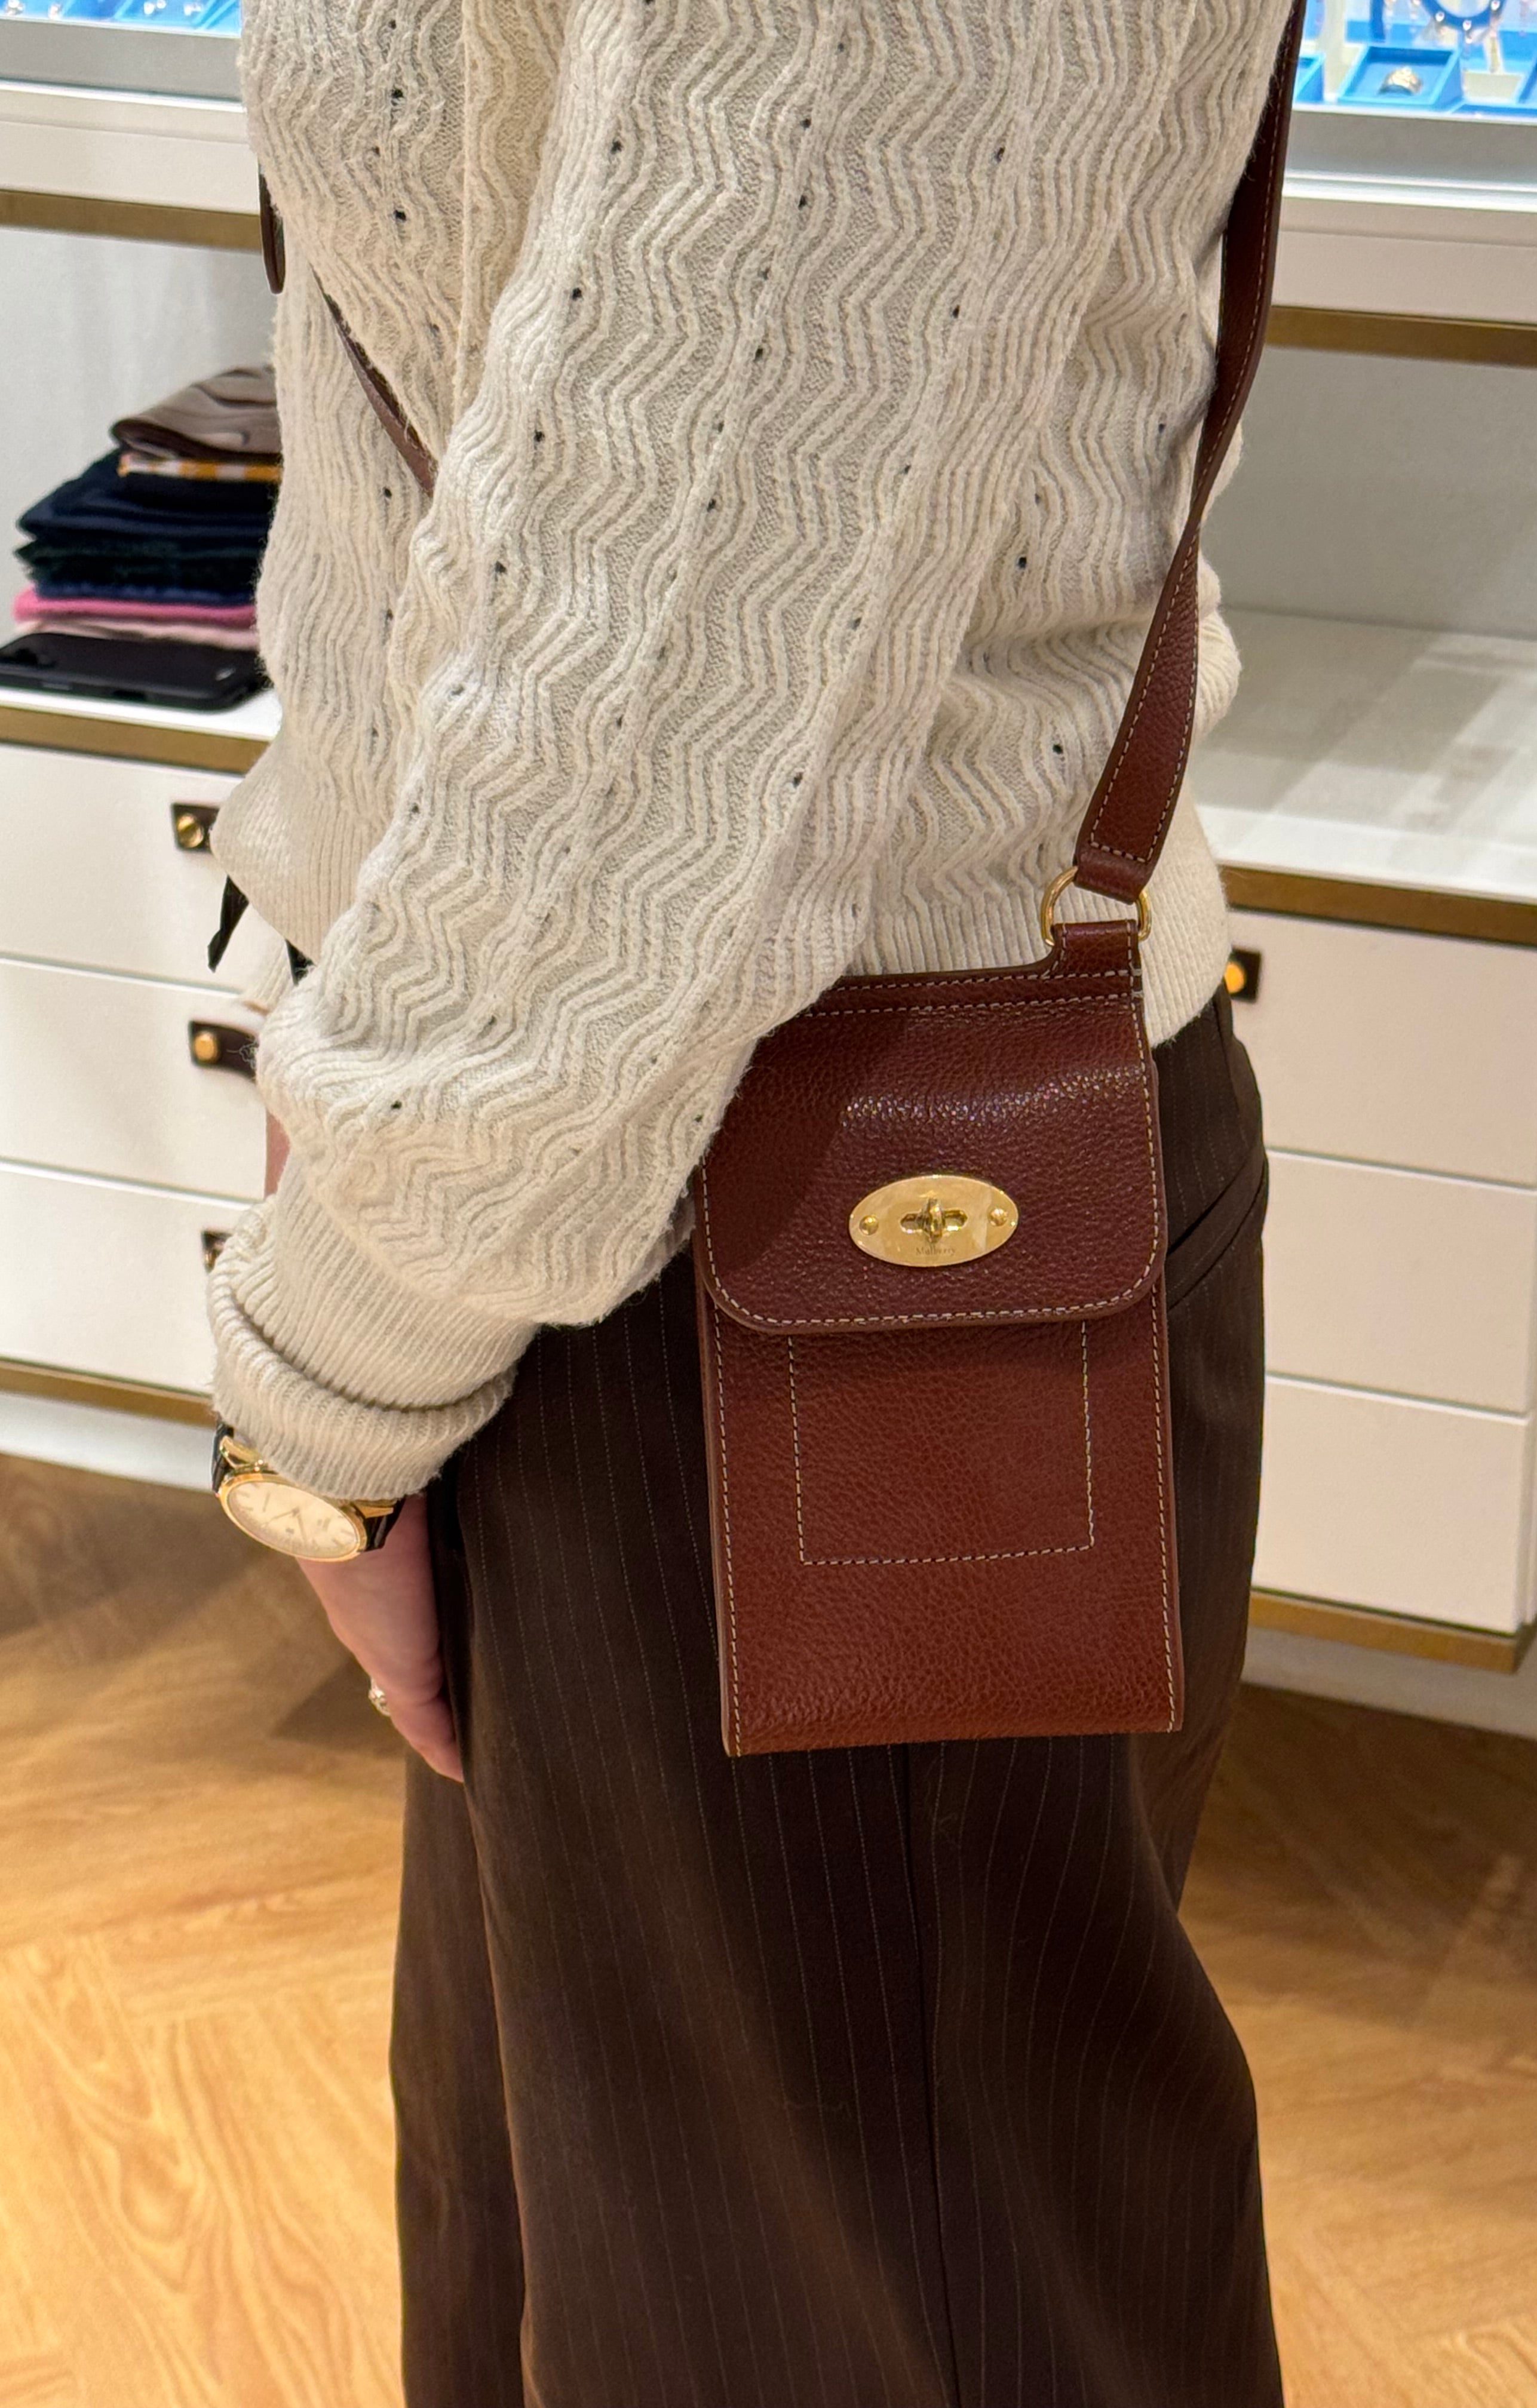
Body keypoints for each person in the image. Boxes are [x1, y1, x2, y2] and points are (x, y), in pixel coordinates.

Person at [209, 2, 1294, 2400]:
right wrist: (344, 1023)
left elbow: (674, 628)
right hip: (560, 1161)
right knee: (617, 2284)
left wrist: (326, 1396)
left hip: (765, 1221)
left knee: (867, 2309)